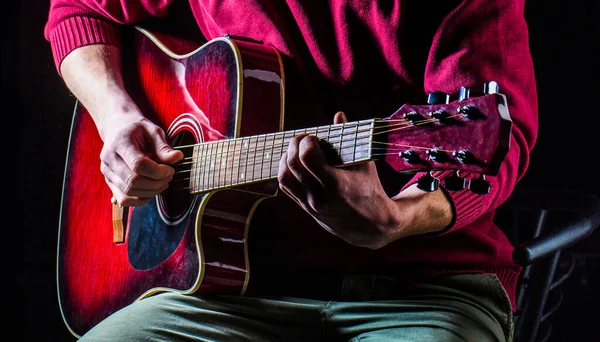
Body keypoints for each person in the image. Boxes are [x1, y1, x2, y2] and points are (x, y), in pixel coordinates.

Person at [44, 0, 538, 341]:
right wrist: (116, 118)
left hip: (422, 291)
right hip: (225, 292)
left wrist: (397, 218)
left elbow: (495, 138)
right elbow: (75, 12)